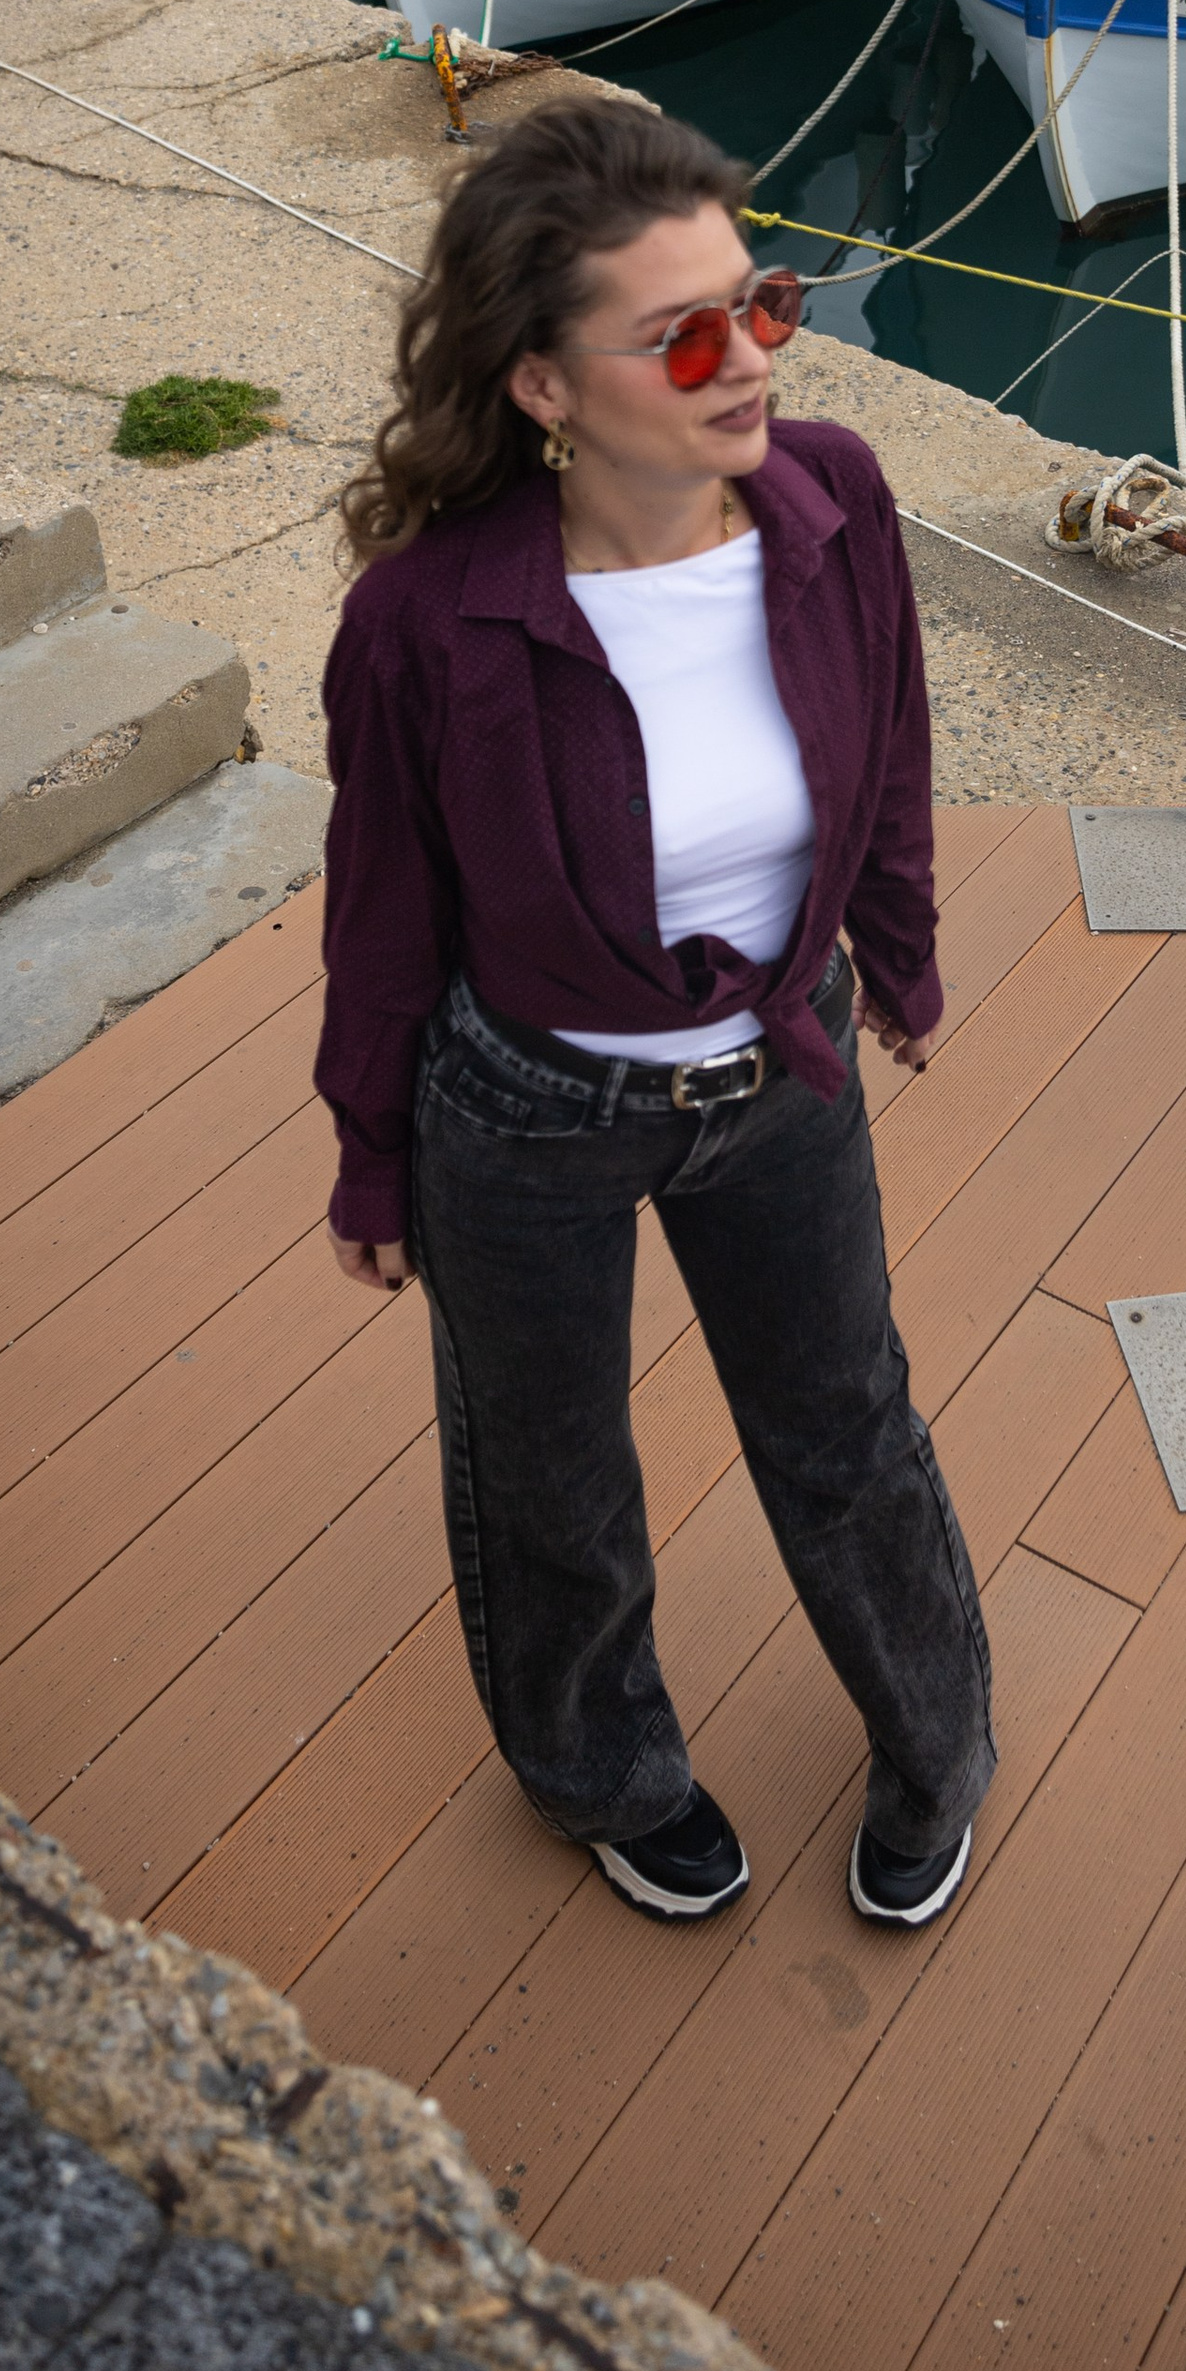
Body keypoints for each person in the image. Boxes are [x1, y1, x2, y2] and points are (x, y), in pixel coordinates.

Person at [316, 97, 994, 1929]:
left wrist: (903, 955)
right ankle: (603, 1772)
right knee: (546, 1482)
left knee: (849, 1430)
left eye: (763, 304)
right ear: (542, 385)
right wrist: (375, 1161)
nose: (749, 361)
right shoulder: (424, 626)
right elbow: (382, 916)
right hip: (525, 1110)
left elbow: (896, 757)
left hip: (781, 1066)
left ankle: (940, 1747)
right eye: (684, 336)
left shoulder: (837, 499)